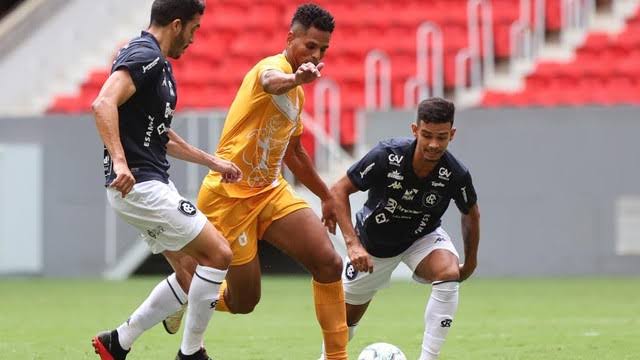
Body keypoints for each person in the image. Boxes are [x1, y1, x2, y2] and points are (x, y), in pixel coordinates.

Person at [161, 3, 349, 359]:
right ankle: (187, 289)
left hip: (269, 191)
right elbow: (270, 82)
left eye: (323, 49)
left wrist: (326, 196)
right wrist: (295, 78)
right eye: (310, 45)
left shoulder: (299, 91)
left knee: (329, 262)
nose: (317, 54)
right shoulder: (273, 69)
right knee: (244, 301)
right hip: (229, 197)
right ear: (290, 37)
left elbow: (294, 153)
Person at [90, 1, 242, 359]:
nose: (194, 38)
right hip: (140, 185)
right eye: (194, 29)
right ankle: (191, 354)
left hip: (144, 185)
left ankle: (118, 342)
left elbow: (161, 134)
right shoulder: (147, 56)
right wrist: (121, 162)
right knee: (218, 254)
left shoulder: (155, 64)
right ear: (177, 25)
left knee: (190, 271)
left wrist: (212, 162)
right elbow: (102, 104)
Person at [325, 97, 480, 360]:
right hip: (373, 247)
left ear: (451, 134)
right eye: (427, 135)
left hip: (422, 237)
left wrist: (472, 262)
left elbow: (471, 213)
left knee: (448, 272)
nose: (433, 144)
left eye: (441, 137)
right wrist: (353, 244)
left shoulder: (455, 173)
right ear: (414, 130)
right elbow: (339, 190)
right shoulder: (387, 155)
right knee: (342, 328)